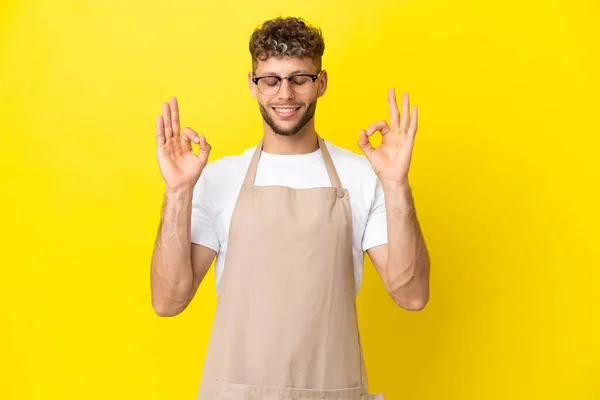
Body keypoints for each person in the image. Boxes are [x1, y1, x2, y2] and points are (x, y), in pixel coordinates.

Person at [150, 16, 430, 400]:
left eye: (299, 79)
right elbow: (168, 301)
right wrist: (179, 190)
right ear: (253, 85)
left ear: (322, 83)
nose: (285, 94)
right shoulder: (216, 179)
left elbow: (411, 296)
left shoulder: (364, 176)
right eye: (271, 79)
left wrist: (396, 184)